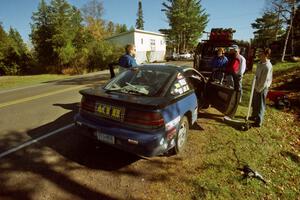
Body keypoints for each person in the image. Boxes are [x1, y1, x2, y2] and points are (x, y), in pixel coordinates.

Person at [250, 48, 273, 127]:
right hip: (256, 86)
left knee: (261, 105)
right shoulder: (259, 63)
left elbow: (264, 80)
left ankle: (258, 122)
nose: (259, 55)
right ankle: (254, 116)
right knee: (255, 102)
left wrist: (259, 89)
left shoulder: (267, 66)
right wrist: (255, 85)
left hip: (263, 88)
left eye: (261, 53)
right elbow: (257, 75)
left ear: (265, 55)